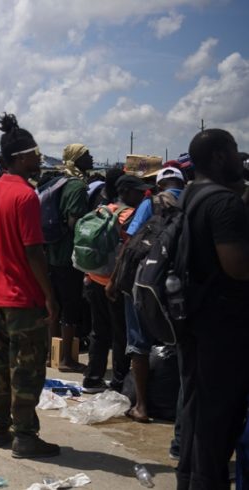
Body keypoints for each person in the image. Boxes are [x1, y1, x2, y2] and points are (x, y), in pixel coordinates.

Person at [0, 113, 59, 458]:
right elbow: (33, 253)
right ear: (21, 157)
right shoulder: (26, 196)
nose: (39, 160)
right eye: (36, 155)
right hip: (23, 298)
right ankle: (25, 436)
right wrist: (50, 296)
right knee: (26, 370)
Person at [175, 129, 249, 489]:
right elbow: (237, 266)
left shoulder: (191, 195)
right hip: (223, 325)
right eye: (236, 150)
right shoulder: (225, 204)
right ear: (220, 156)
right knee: (218, 420)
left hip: (194, 318)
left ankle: (189, 479)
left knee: (198, 410)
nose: (240, 158)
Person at [106, 167, 185, 424]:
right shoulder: (193, 200)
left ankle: (141, 406)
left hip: (145, 280)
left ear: (159, 184)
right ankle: (180, 404)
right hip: (179, 284)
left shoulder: (151, 203)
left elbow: (131, 243)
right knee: (179, 342)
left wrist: (116, 280)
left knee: (139, 342)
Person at [81, 174, 148, 394]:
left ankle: (92, 378)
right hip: (115, 283)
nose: (143, 195)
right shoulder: (129, 215)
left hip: (93, 278)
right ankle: (118, 382)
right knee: (120, 334)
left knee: (99, 331)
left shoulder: (101, 210)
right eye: (139, 191)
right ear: (126, 192)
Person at [45, 143, 93, 373]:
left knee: (53, 304)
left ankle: (50, 355)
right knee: (70, 307)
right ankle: (66, 359)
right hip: (68, 256)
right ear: (77, 159)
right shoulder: (77, 186)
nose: (91, 158)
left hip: (52, 252)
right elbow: (75, 222)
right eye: (86, 155)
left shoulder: (58, 181)